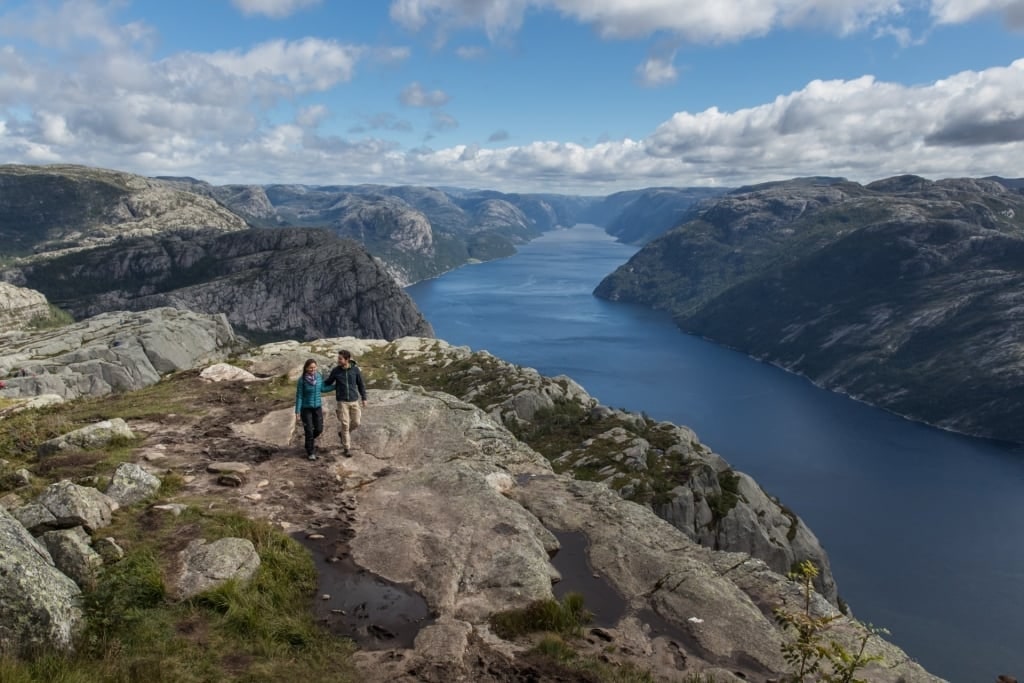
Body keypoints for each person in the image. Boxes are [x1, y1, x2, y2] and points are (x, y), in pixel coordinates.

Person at [324, 349, 367, 457]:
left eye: (340, 359)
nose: (338, 360)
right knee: (345, 424)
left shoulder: (355, 370)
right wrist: (318, 383)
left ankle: (342, 434)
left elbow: (361, 384)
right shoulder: (336, 371)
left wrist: (364, 398)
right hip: (342, 402)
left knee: (356, 422)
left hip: (354, 401)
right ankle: (346, 448)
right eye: (338, 358)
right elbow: (328, 382)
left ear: (347, 359)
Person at [294, 358, 330, 461]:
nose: (313, 369)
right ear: (306, 368)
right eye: (310, 368)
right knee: (309, 430)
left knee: (319, 429)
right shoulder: (302, 380)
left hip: (317, 407)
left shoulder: (318, 377)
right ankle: (310, 452)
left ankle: (308, 442)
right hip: (306, 409)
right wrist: (297, 411)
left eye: (314, 367)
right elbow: (299, 396)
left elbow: (323, 389)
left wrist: (335, 387)